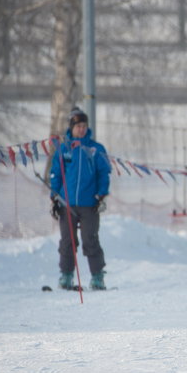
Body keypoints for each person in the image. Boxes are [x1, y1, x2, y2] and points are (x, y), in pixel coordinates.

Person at [49, 107, 111, 291]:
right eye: (78, 126)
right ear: (72, 127)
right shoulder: (64, 148)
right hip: (66, 203)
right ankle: (66, 276)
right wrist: (54, 196)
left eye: (84, 126)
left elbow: (104, 174)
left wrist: (101, 194)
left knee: (90, 239)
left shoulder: (95, 149)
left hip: (89, 204)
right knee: (67, 241)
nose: (81, 129)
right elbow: (56, 174)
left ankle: (97, 277)